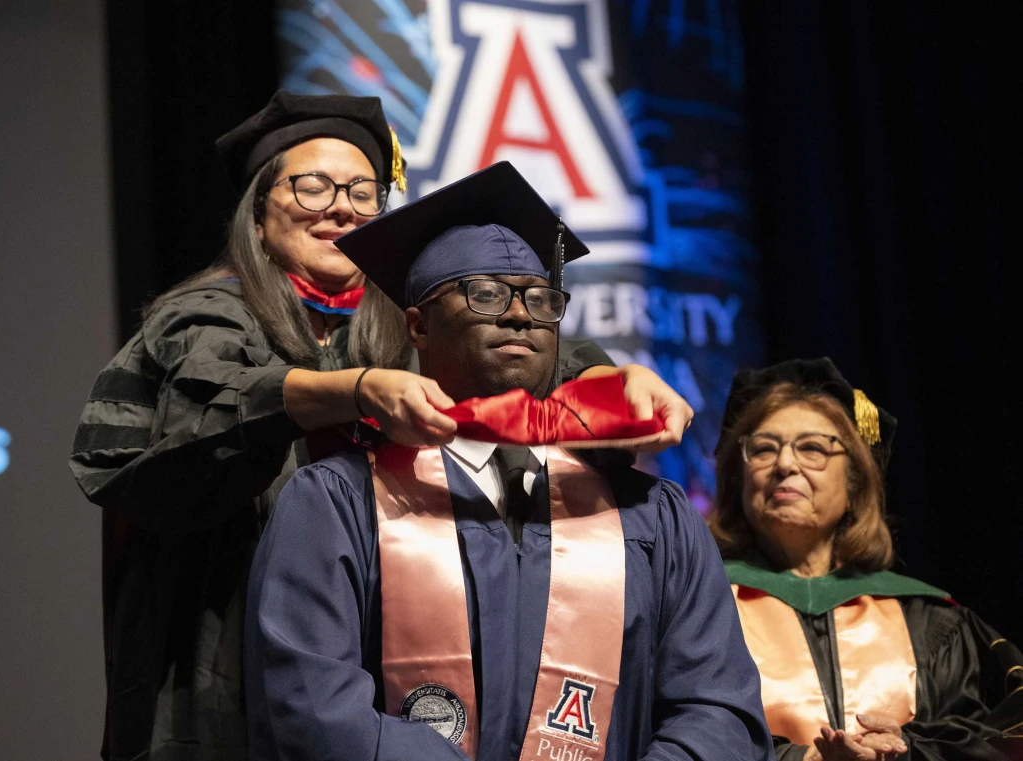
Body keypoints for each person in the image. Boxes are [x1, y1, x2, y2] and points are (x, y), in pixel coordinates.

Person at [69, 91, 694, 761]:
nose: (341, 205)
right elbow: (205, 411)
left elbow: (521, 365)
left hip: (384, 656)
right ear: (256, 214)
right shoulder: (206, 317)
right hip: (220, 652)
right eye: (313, 185)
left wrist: (616, 381)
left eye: (363, 192)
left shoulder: (399, 323)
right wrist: (357, 390)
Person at [244, 161, 774, 761]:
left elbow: (719, 708)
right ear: (418, 325)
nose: (521, 313)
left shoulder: (650, 512)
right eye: (486, 292)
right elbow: (308, 706)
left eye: (541, 299)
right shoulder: (338, 500)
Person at [708, 357, 1023, 761]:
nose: (785, 465)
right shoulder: (704, 611)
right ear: (740, 480)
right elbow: (666, 730)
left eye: (812, 448)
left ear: (855, 481)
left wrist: (908, 750)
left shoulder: (928, 620)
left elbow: (1003, 736)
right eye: (764, 449)